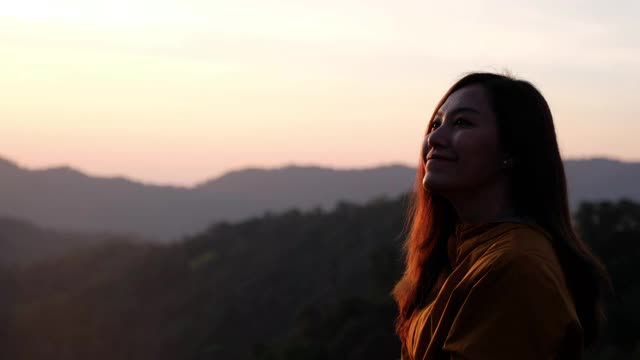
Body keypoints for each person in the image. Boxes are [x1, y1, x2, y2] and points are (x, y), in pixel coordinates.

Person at [392, 72, 611, 359]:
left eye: (461, 122)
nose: (434, 137)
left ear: (511, 150)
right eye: (435, 123)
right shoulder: (455, 253)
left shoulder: (515, 267)